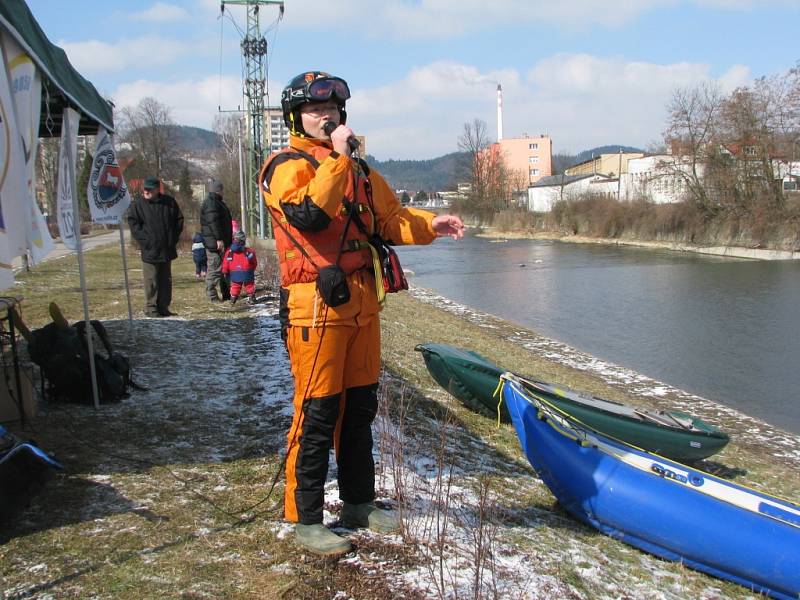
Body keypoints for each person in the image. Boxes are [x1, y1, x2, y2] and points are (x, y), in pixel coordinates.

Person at [259, 71, 464, 556]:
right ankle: (304, 516)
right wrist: (339, 158)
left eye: (331, 110)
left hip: (362, 304)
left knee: (359, 410)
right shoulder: (284, 166)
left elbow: (390, 218)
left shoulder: (358, 169)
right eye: (314, 110)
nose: (325, 116)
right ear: (296, 117)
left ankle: (357, 502)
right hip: (315, 306)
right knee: (317, 413)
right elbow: (311, 213)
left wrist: (430, 223)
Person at [127, 177, 184, 318]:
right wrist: (145, 241)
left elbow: (179, 220)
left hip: (166, 248)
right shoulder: (138, 204)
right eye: (144, 189)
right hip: (150, 249)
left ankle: (163, 307)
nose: (146, 192)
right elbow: (134, 225)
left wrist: (172, 238)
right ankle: (151, 308)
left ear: (157, 190)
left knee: (165, 280)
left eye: (149, 189)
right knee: (151, 280)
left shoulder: (169, 202)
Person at [200, 179, 233, 303]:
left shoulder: (216, 202)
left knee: (224, 269)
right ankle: (212, 295)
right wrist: (219, 239)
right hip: (216, 243)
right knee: (215, 269)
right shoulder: (211, 203)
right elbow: (214, 223)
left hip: (221, 242)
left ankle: (226, 294)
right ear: (218, 190)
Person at [221, 230, 258, 305]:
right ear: (244, 240)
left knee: (235, 285)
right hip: (247, 271)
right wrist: (252, 269)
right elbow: (254, 262)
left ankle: (233, 299)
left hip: (234, 271)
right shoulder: (249, 251)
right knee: (249, 285)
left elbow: (226, 262)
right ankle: (251, 298)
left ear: (234, 239)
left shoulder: (230, 251)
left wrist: (225, 271)